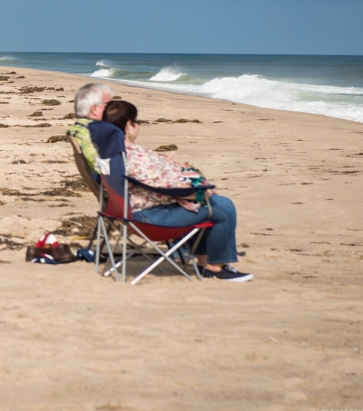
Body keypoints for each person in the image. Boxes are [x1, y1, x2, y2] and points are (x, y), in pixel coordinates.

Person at [102, 99, 253, 282]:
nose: (139, 125)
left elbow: (148, 178)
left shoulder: (112, 152)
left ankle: (203, 262)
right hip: (148, 219)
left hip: (127, 213)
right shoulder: (134, 155)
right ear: (128, 126)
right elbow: (162, 186)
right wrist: (198, 192)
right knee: (222, 207)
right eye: (137, 121)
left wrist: (166, 163)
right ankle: (216, 266)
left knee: (205, 205)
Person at [67, 83, 125, 176]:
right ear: (94, 109)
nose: (113, 109)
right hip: (115, 184)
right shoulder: (96, 132)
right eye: (109, 105)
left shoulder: (79, 127)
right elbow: (108, 170)